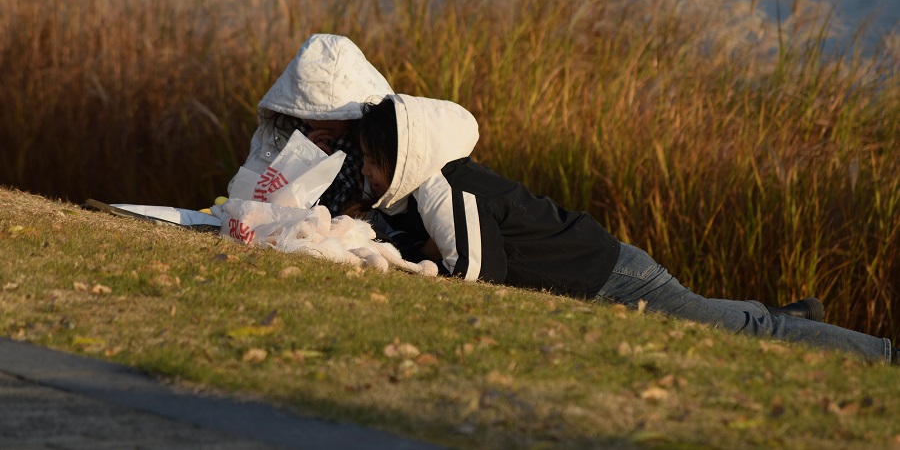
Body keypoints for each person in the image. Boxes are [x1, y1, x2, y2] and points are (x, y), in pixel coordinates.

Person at [358, 94, 897, 366]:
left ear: (401, 158)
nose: (365, 172)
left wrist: (406, 264)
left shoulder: (452, 191)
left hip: (618, 277)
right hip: (606, 271)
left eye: (369, 162)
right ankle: (785, 313)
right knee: (718, 320)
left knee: (746, 336)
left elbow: (478, 279)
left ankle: (883, 355)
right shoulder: (442, 185)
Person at [229, 34, 393, 215]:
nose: (317, 122)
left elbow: (392, 202)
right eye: (307, 113)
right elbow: (244, 198)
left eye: (329, 115)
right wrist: (300, 162)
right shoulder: (283, 131)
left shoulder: (373, 139)